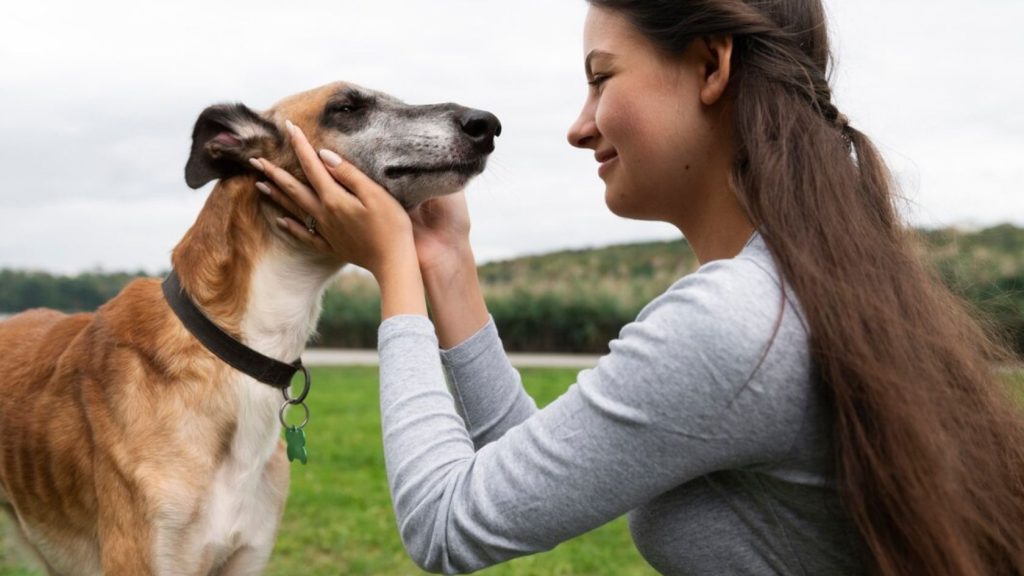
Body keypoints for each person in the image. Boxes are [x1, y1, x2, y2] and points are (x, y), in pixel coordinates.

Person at [255, 1, 1024, 574]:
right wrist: (444, 261)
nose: (579, 126)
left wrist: (394, 275)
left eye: (602, 80)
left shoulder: (731, 325)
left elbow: (446, 523)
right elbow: (531, 470)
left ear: (712, 67)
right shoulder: (796, 287)